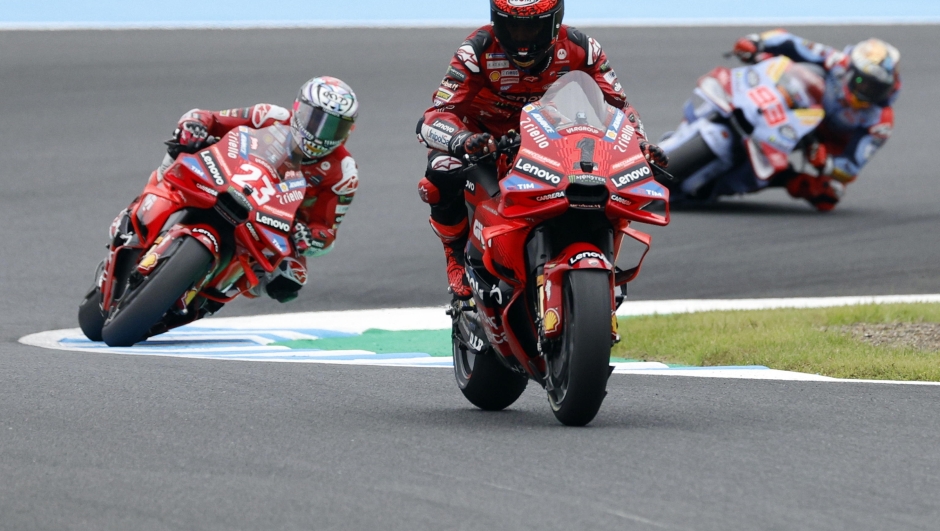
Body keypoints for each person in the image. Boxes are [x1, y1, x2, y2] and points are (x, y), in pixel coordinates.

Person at [416, 0, 668, 298]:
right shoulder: (476, 51)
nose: (522, 39)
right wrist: (462, 140)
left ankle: (600, 259)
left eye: (532, 27)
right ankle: (456, 256)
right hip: (487, 145)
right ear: (496, 21)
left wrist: (639, 143)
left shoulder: (583, 48)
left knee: (611, 180)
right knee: (442, 170)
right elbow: (433, 117)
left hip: (556, 141)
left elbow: (618, 107)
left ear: (554, 22)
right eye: (512, 27)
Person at [148, 76, 359, 303]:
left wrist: (309, 236)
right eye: (315, 119)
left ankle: (213, 295)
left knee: (291, 279)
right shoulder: (269, 116)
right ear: (298, 108)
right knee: (183, 144)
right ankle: (149, 201)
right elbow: (210, 117)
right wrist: (194, 125)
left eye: (333, 127)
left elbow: (327, 232)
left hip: (276, 223)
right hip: (227, 179)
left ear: (348, 131)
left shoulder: (344, 173)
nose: (320, 133)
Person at [732, 30, 900, 211]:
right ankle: (736, 93)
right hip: (800, 105)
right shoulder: (837, 61)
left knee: (829, 195)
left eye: (876, 88)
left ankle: (782, 178)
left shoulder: (881, 123)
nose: (866, 90)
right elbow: (791, 41)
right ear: (851, 70)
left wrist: (826, 163)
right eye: (861, 80)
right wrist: (757, 42)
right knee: (796, 69)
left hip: (821, 142)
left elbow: (852, 167)